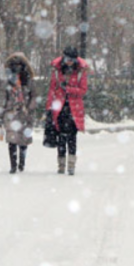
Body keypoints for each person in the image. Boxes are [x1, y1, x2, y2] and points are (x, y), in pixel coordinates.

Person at [46, 46, 89, 175]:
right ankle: (61, 164)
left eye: (71, 59)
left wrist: (68, 89)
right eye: (67, 59)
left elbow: (83, 90)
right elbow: (52, 89)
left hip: (74, 109)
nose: (69, 62)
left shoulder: (81, 72)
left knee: (72, 138)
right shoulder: (57, 70)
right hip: (60, 109)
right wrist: (49, 107)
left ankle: (71, 165)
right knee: (60, 138)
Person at [0, 53, 36, 174]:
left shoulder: (29, 80)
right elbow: (2, 98)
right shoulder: (7, 82)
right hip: (11, 112)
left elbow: (33, 97)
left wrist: (29, 108)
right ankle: (13, 165)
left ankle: (21, 163)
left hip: (25, 112)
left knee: (23, 140)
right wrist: (0, 114)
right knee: (12, 139)